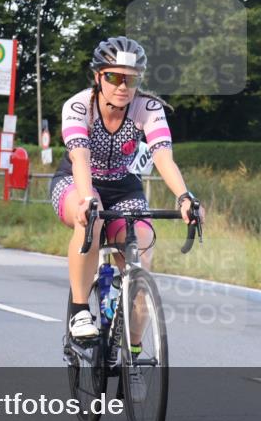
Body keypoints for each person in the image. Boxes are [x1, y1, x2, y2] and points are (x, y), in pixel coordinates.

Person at [50, 36, 201, 350]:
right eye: (114, 77)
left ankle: (133, 350)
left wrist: (185, 197)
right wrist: (87, 198)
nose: (122, 86)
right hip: (77, 181)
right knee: (91, 218)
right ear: (98, 77)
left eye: (130, 79)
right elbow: (80, 158)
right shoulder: (79, 106)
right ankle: (80, 312)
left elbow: (163, 157)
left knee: (141, 252)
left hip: (123, 186)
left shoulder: (148, 108)